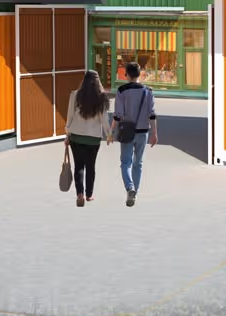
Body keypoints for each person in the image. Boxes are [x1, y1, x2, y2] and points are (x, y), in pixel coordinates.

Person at [111, 61, 158, 207]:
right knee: (138, 163)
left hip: (127, 132)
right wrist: (154, 133)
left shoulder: (122, 91)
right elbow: (152, 114)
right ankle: (134, 194)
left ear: (126, 74)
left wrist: (111, 132)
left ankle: (130, 188)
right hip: (143, 132)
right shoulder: (148, 91)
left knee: (126, 162)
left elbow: (118, 115)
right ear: (140, 74)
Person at [64, 70, 111, 207]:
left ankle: (80, 194)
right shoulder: (101, 96)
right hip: (93, 139)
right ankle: (89, 195)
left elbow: (70, 116)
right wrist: (109, 134)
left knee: (78, 166)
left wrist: (67, 134)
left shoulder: (75, 95)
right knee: (91, 166)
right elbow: (104, 118)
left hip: (76, 137)